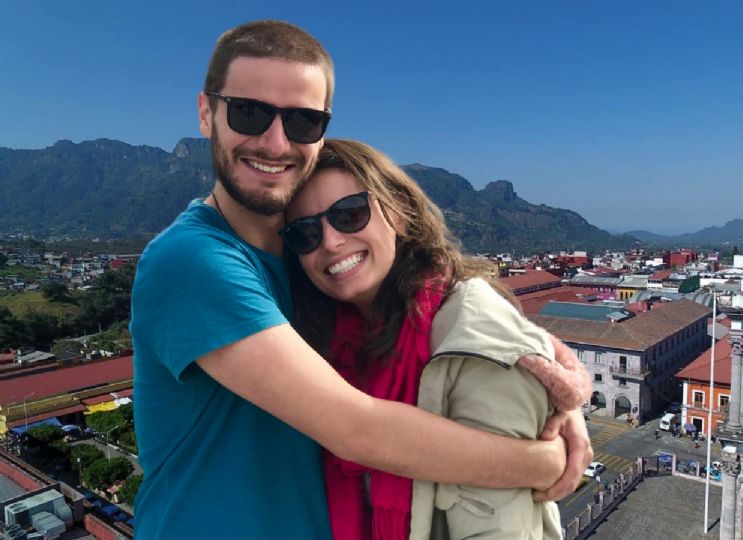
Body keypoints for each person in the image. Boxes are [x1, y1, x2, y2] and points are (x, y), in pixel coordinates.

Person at [129, 20, 592, 540]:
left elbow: (436, 316)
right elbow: (356, 429)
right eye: (250, 111)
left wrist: (545, 389)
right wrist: (545, 461)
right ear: (205, 113)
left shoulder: (305, 262)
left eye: (303, 121)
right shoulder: (193, 261)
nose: (276, 141)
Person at [282, 140, 592, 539]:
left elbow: (497, 527)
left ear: (398, 210)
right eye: (304, 233)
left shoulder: (477, 342)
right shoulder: (329, 345)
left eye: (349, 214)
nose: (329, 241)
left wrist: (550, 449)